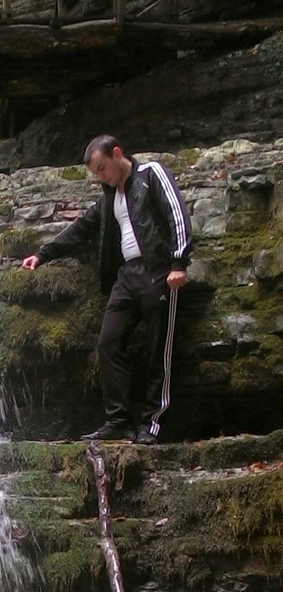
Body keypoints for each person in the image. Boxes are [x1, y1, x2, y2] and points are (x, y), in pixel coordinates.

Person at [22, 135, 191, 444]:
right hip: (127, 276)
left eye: (102, 168)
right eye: (96, 173)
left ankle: (151, 424)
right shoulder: (109, 196)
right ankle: (118, 420)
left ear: (117, 154)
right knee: (108, 343)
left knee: (159, 351)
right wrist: (43, 254)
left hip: (159, 272)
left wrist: (179, 262)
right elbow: (82, 228)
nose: (101, 176)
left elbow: (176, 214)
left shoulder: (151, 174)